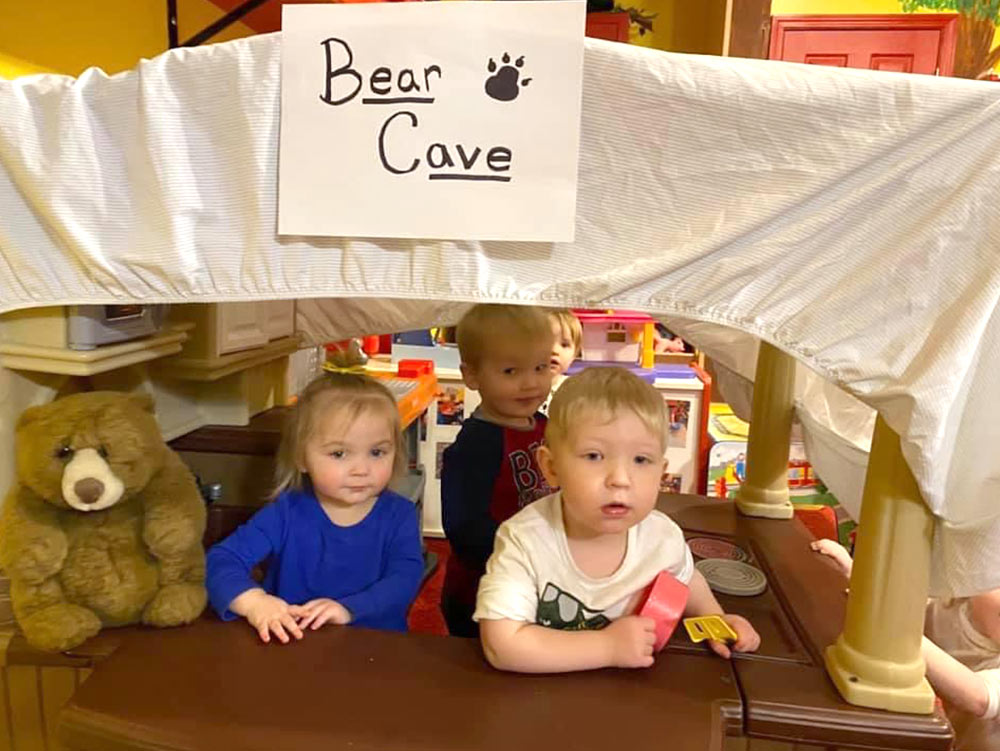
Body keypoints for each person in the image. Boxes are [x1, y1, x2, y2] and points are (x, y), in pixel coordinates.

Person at [474, 366, 761, 672]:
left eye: (641, 460)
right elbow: (501, 645)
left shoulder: (662, 537)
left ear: (661, 472)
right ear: (551, 467)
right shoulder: (525, 538)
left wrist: (714, 619)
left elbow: (684, 580)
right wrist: (607, 648)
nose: (620, 479)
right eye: (594, 456)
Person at [206, 372, 424, 643]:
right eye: (339, 454)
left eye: (377, 452)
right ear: (302, 458)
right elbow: (221, 561)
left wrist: (349, 609)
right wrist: (255, 602)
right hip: (294, 645)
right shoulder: (286, 512)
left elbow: (404, 580)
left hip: (375, 651)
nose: (362, 470)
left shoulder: (399, 515)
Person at [440, 304, 555, 637]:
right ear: (472, 375)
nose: (530, 383)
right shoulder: (475, 445)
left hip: (540, 582)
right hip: (483, 592)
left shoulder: (548, 426)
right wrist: (529, 551)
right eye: (510, 371)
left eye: (540, 367)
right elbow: (464, 529)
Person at [812, 538, 1000, 719]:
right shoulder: (952, 600)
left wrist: (897, 627)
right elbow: (900, 603)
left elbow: (979, 698)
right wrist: (854, 574)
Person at [539, 308, 582, 416]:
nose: (554, 350)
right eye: (546, 341)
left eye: (564, 345)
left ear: (574, 355)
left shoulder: (576, 389)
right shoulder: (519, 386)